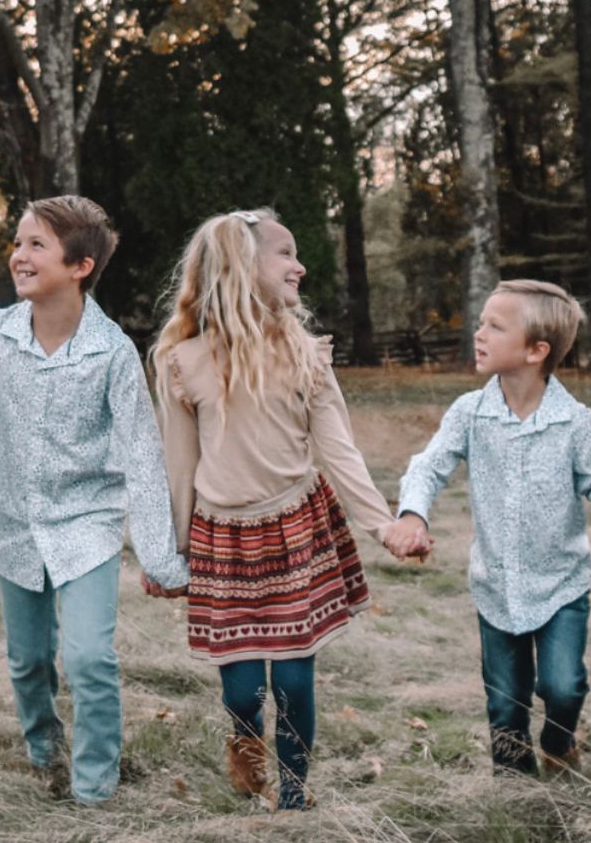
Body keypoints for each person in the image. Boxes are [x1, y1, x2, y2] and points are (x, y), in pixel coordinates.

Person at [0, 195, 189, 805]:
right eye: (18, 243)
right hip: (15, 525)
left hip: (87, 523)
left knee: (88, 657)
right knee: (28, 660)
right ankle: (43, 749)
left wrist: (160, 558)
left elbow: (142, 456)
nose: (19, 255)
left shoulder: (111, 352)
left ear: (80, 266)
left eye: (37, 244)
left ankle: (94, 785)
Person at [151, 209, 427, 810]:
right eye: (285, 253)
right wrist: (169, 554)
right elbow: (178, 467)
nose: (299, 266)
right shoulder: (183, 362)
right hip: (223, 538)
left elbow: (340, 450)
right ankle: (247, 741)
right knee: (244, 691)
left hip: (295, 528)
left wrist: (383, 525)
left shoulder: (305, 354)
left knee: (295, 681)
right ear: (240, 266)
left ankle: (296, 795)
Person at [385, 279, 591, 776]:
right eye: (481, 323)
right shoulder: (470, 413)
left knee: (564, 686)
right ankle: (515, 789)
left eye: (495, 327)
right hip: (496, 586)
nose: (479, 334)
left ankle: (559, 742)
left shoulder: (574, 421)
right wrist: (413, 513)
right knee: (505, 702)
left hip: (562, 584)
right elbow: (429, 467)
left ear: (536, 351)